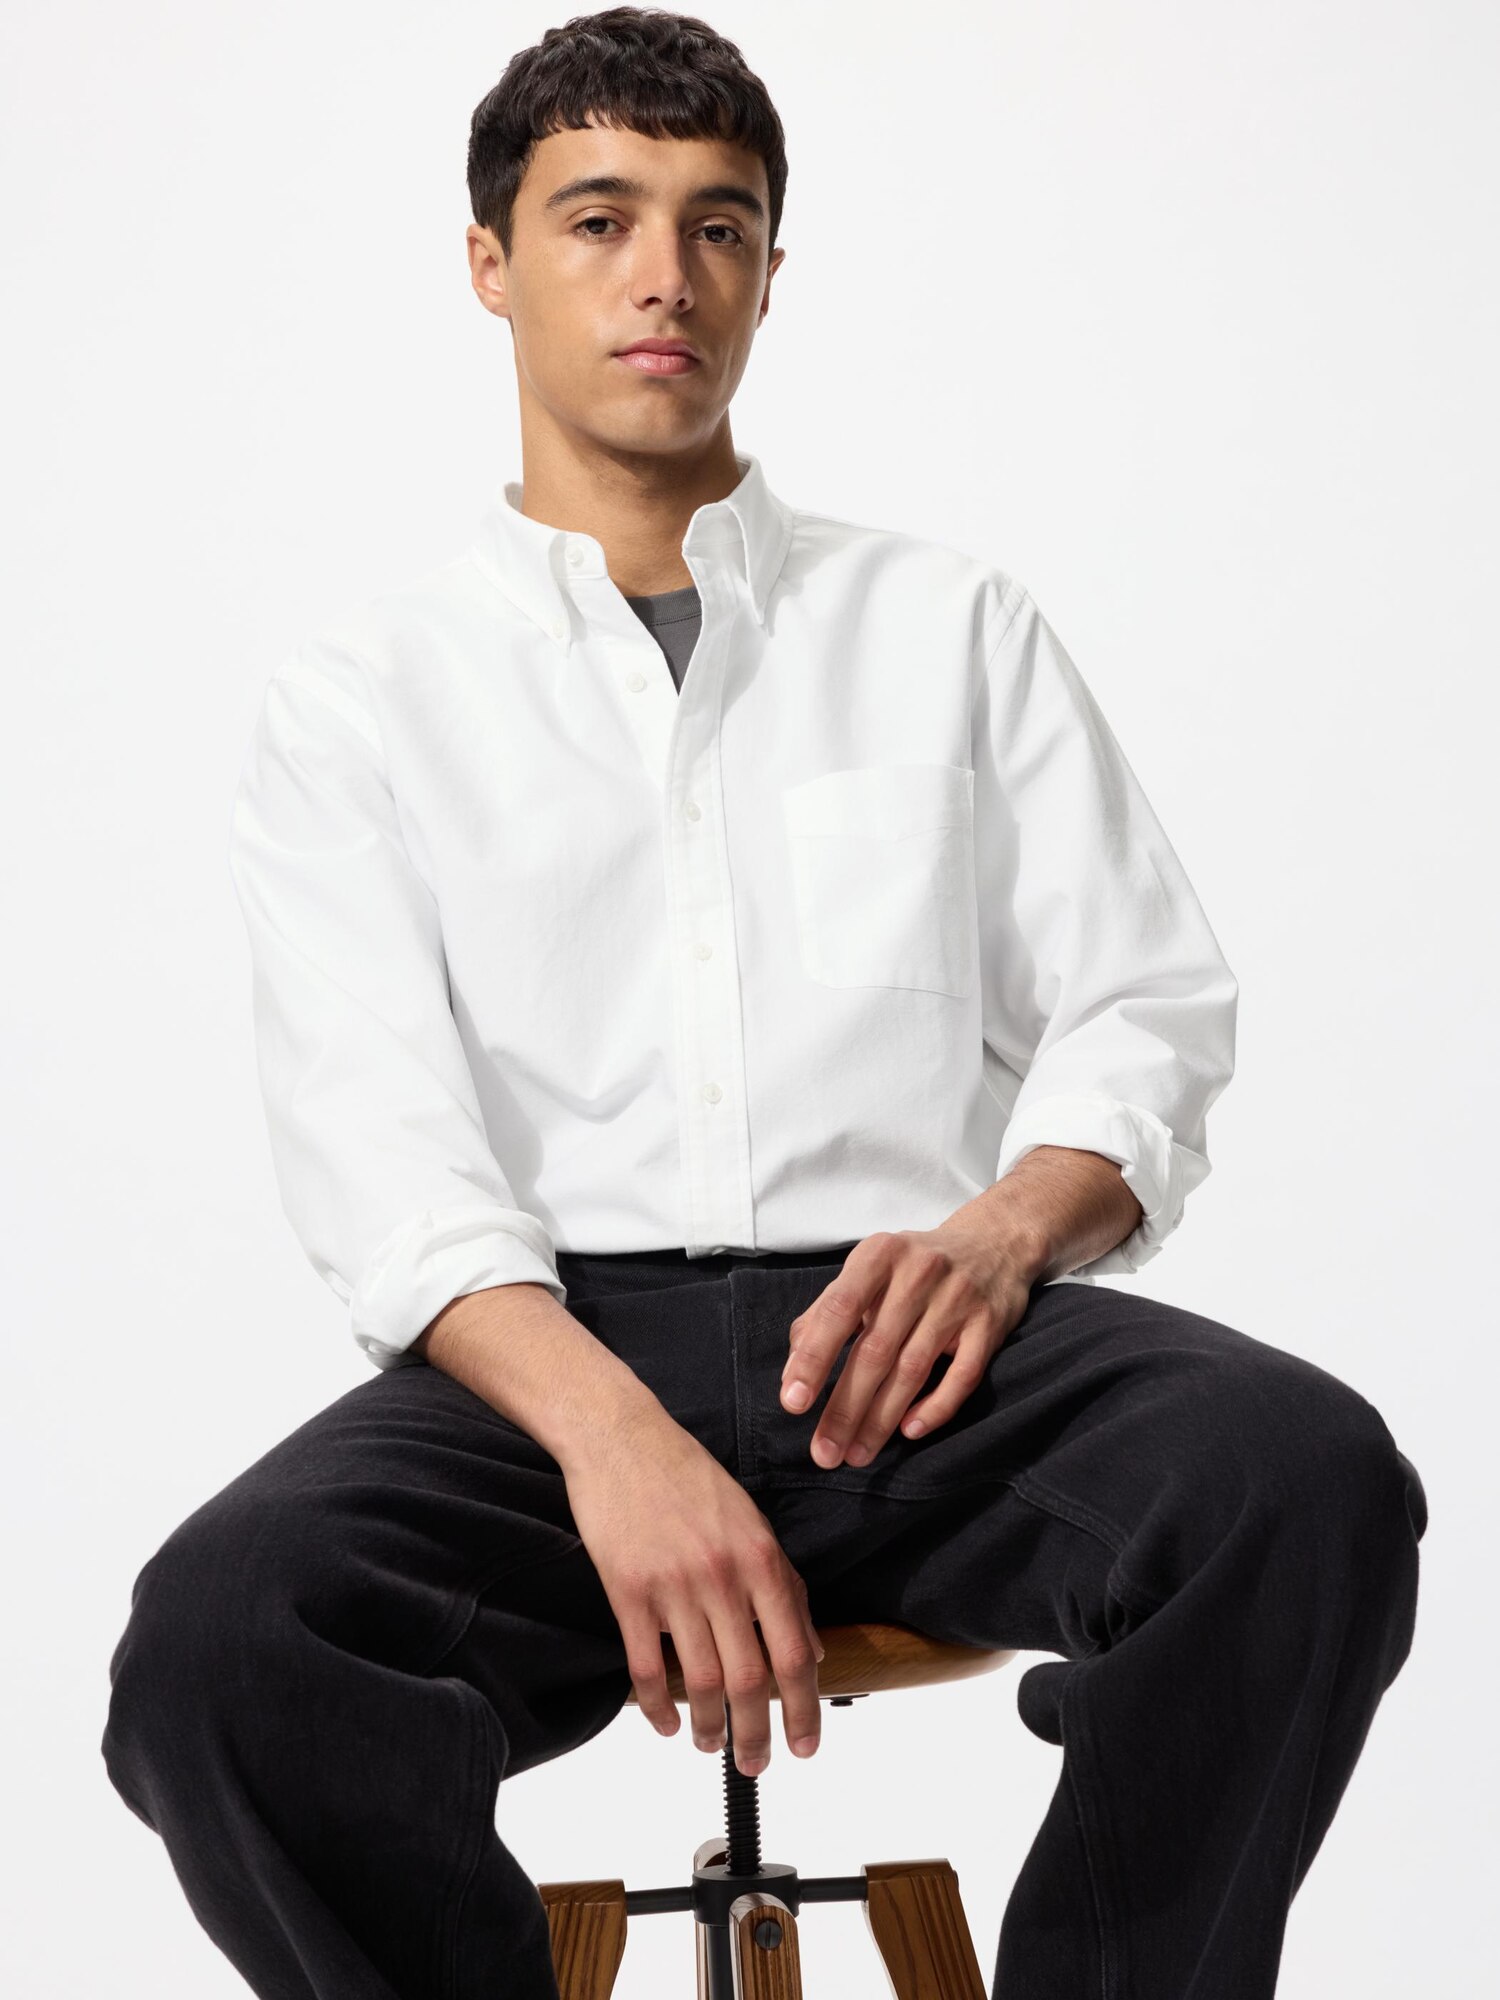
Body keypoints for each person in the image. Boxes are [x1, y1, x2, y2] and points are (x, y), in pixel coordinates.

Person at [99, 10, 1428, 1997]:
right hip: (543, 1370)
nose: (665, 275)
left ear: (771, 273)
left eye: (718, 227)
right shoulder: (364, 700)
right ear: (490, 263)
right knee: (221, 1647)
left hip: (921, 1344)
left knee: (1302, 1482)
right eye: (599, 220)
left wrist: (1000, 1236)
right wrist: (618, 1443)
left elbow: (1145, 1004)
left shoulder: (948, 626)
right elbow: (383, 1158)